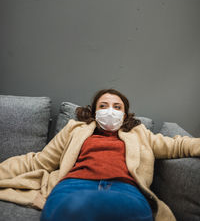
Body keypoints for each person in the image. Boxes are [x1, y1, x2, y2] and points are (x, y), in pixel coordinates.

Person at [0, 89, 200, 221]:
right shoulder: (74, 129)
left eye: (117, 107)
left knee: (132, 212)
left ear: (125, 114)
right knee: (71, 208)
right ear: (94, 112)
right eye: (103, 106)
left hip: (126, 188)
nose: (110, 111)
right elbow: (40, 161)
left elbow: (178, 145)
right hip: (74, 185)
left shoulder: (139, 134)